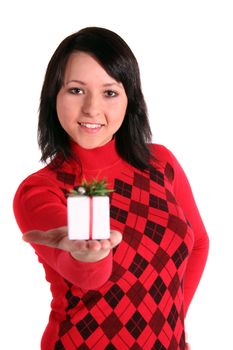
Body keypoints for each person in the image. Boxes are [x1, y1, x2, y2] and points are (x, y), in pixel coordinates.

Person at [13, 27, 209, 350]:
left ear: (129, 98)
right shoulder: (39, 191)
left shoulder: (161, 163)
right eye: (76, 90)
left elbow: (198, 243)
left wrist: (172, 322)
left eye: (109, 92)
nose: (91, 108)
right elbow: (88, 275)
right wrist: (86, 255)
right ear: (53, 97)